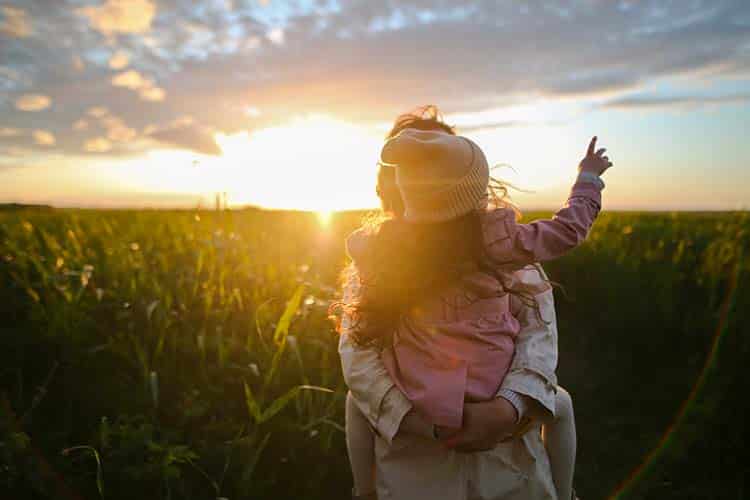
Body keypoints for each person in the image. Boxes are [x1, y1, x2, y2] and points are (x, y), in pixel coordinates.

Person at [336, 106, 612, 500]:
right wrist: (588, 181)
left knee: (354, 406)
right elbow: (359, 357)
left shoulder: (379, 255)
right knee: (561, 403)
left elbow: (538, 337)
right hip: (414, 466)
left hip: (511, 466)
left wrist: (507, 409)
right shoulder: (503, 245)